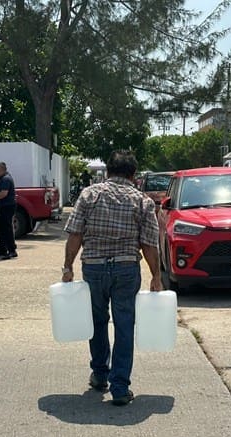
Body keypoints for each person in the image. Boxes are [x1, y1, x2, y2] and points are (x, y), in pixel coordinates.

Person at [62, 150, 162, 406]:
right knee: (124, 325)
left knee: (96, 321)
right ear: (134, 175)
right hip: (126, 269)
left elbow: (75, 233)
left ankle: (99, 374)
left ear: (107, 172)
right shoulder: (142, 201)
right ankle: (119, 388)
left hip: (93, 268)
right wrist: (156, 276)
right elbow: (149, 243)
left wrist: (67, 266)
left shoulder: (89, 195)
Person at [0, 162, 17, 260]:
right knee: (0, 229)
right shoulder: (4, 178)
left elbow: (4, 193)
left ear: (0, 169)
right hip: (4, 206)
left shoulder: (6, 179)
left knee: (6, 229)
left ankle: (11, 251)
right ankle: (2, 249)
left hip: (7, 206)